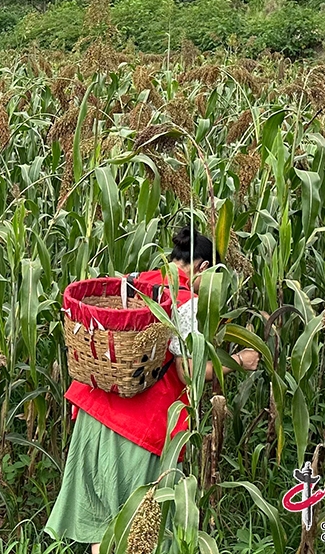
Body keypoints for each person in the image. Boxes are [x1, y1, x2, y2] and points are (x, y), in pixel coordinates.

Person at [45, 227, 260, 553]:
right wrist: (238, 361)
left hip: (91, 416)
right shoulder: (184, 301)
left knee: (103, 528)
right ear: (202, 268)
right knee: (137, 529)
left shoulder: (133, 281)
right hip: (135, 431)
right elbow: (188, 371)